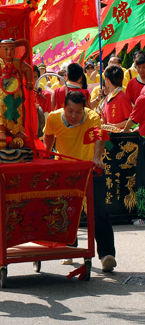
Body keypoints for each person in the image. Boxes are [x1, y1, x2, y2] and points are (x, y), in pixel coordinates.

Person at [43, 91, 116, 272]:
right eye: (70, 111)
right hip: (65, 170)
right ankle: (69, 249)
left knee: (99, 211)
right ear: (63, 107)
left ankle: (107, 255)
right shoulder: (53, 118)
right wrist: (46, 155)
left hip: (89, 168)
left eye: (78, 112)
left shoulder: (92, 117)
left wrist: (97, 158)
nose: (74, 116)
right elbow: (49, 135)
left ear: (84, 109)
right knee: (66, 210)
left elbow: (99, 137)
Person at [98, 65, 132, 129]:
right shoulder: (107, 97)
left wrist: (114, 126)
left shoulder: (122, 97)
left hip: (120, 137)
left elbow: (130, 120)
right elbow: (106, 120)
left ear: (107, 80)